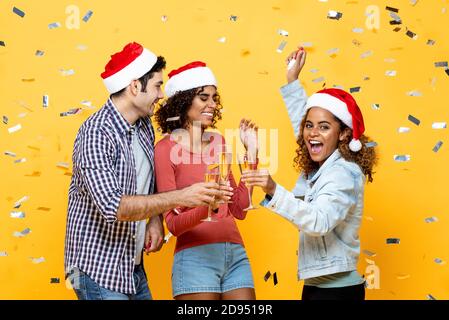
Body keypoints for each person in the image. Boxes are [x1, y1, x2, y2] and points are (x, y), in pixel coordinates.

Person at [64, 43, 221, 300]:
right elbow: (114, 207)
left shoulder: (143, 125)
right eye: (157, 86)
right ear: (135, 86)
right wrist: (182, 196)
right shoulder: (95, 133)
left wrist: (155, 219)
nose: (161, 95)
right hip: (97, 269)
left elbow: (146, 184)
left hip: (131, 266)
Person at [242, 48, 377, 300]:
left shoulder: (343, 173)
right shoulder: (325, 160)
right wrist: (292, 81)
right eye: (309, 126)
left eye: (324, 127)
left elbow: (319, 221)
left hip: (338, 292)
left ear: (344, 134)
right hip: (319, 285)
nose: (312, 133)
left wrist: (273, 190)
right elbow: (306, 127)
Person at [154, 61, 257, 300]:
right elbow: (173, 224)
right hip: (194, 257)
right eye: (203, 98)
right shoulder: (165, 149)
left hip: (234, 253)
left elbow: (239, 209)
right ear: (183, 101)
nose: (212, 104)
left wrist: (251, 154)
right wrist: (206, 208)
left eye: (214, 98)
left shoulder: (218, 142)